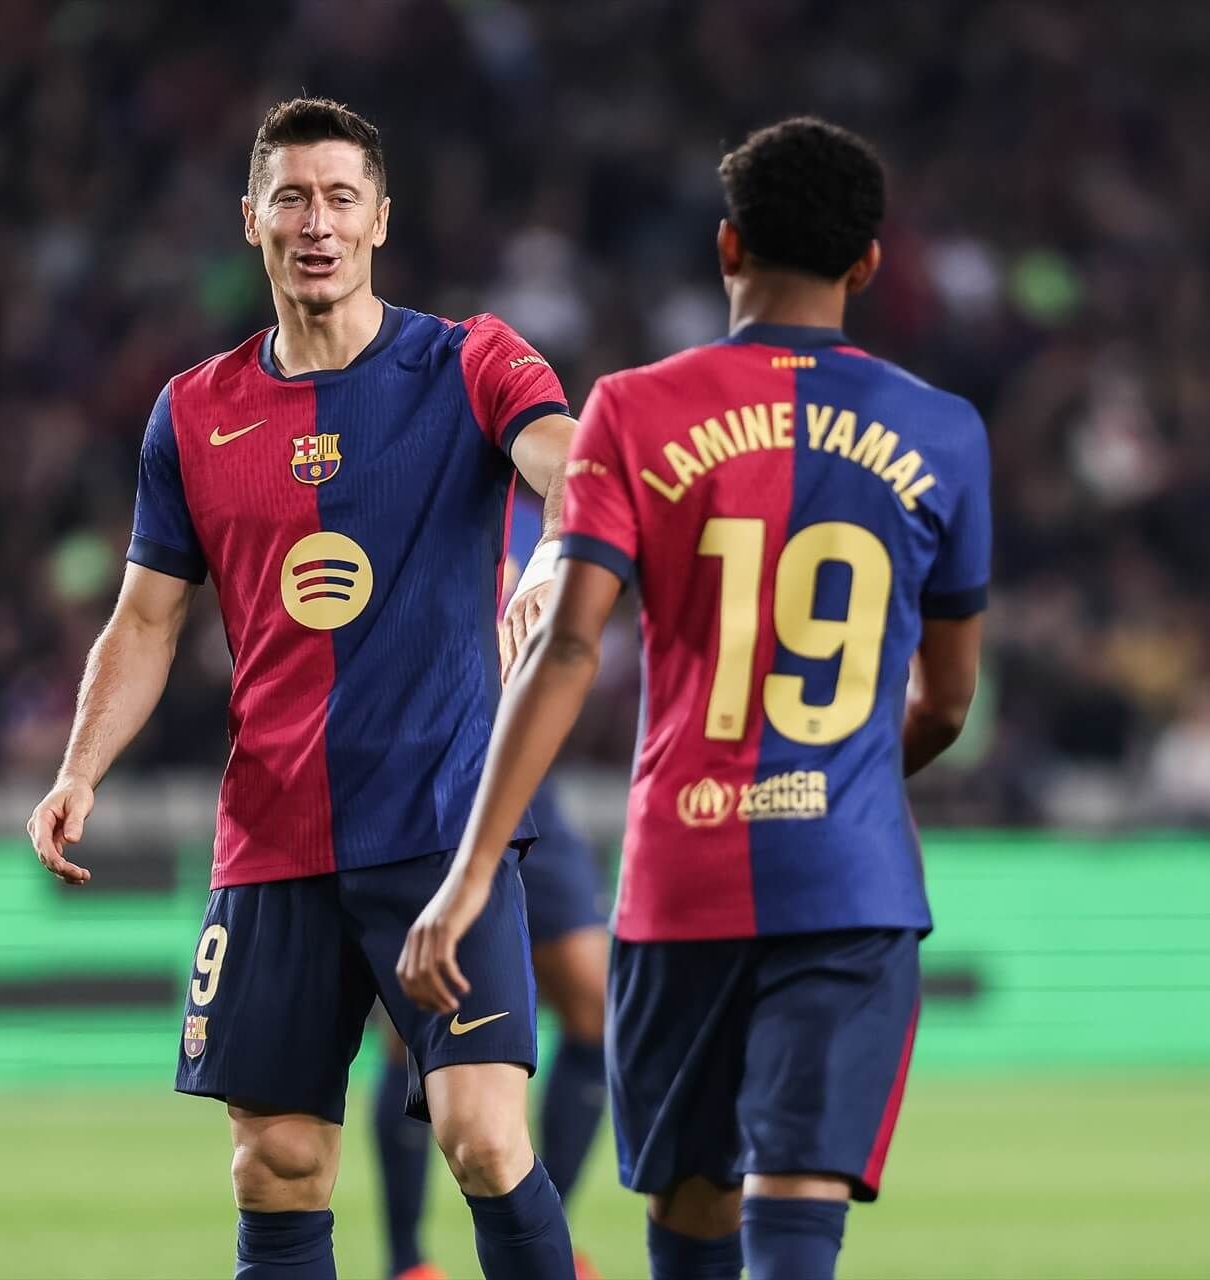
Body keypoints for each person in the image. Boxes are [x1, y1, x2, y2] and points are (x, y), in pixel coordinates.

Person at [398, 117, 991, 1279]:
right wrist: (845, 781)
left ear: (726, 248)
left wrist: (472, 872)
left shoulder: (629, 409)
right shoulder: (945, 431)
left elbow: (564, 652)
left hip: (682, 880)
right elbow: (950, 699)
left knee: (695, 1207)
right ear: (868, 265)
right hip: (851, 881)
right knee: (798, 1199)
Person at [26, 97, 579, 1279]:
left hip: (441, 822)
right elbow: (147, 615)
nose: (315, 221)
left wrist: (552, 549)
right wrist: (79, 766)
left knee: (483, 1138)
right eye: (291, 196)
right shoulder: (192, 411)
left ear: (382, 218)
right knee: (275, 1161)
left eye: (339, 197)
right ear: (250, 221)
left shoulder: (471, 359)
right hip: (275, 835)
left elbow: (570, 464)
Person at [373, 487, 610, 1280]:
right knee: (410, 1026)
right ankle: (409, 1261)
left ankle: (548, 1234)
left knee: (593, 1000)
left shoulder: (538, 483)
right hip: (419, 776)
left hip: (521, 769)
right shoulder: (415, 459)